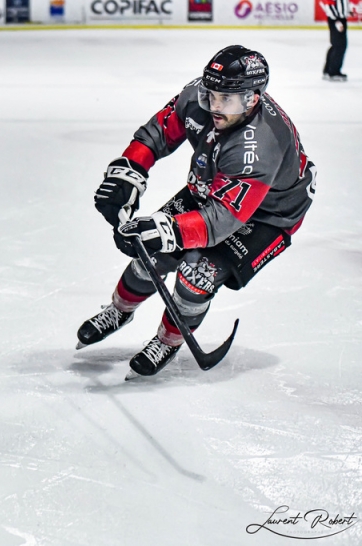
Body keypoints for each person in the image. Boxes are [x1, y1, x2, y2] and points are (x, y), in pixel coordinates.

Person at [76, 45, 316, 377]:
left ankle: (169, 339)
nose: (214, 105)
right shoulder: (197, 96)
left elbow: (223, 219)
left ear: (253, 98)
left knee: (196, 272)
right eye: (211, 94)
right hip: (215, 186)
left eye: (226, 99)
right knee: (150, 251)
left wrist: (168, 231)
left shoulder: (258, 148)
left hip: (270, 214)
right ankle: (120, 309)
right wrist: (129, 171)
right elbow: (158, 132)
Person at [320, 0, 351, 81]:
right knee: (340, 46)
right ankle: (333, 72)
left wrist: (347, 12)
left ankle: (328, 70)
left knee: (336, 45)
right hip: (336, 19)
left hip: (339, 19)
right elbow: (328, 4)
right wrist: (336, 21)